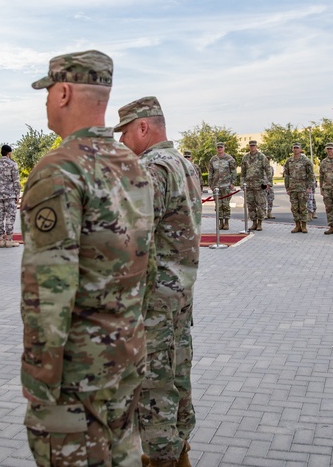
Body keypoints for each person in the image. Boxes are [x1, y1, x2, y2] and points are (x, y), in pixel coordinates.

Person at [20, 50, 153, 467]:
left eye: (46, 92)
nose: (45, 101)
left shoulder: (60, 169)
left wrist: (40, 370)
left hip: (79, 368)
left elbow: (50, 287)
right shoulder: (130, 163)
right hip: (126, 350)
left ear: (61, 93)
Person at [115, 96, 202, 467]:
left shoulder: (152, 168)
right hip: (179, 294)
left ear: (143, 128)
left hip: (153, 298)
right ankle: (180, 450)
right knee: (178, 373)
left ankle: (162, 456)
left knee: (153, 385)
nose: (121, 142)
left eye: (124, 133)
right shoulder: (185, 164)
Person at [0, 144, 21, 248]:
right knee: (10, 216)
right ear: (9, 153)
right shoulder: (13, 164)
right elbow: (16, 180)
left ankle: (1, 240)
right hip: (10, 195)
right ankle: (9, 240)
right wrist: (17, 194)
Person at [239, 140, 272, 231]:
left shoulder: (262, 157)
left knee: (260, 204)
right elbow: (243, 172)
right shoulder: (245, 158)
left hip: (259, 185)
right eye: (251, 146)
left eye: (254, 146)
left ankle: (260, 223)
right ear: (249, 147)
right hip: (249, 186)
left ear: (256, 146)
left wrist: (269, 182)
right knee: (251, 205)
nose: (252, 147)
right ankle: (254, 222)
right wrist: (242, 183)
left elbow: (267, 170)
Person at [282, 143, 314, 233]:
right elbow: (287, 175)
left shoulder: (306, 161)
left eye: (297, 148)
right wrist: (287, 187)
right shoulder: (289, 161)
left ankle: (304, 226)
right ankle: (297, 225)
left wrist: (309, 187)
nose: (295, 149)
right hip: (293, 188)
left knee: (303, 207)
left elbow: (310, 175)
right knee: (294, 208)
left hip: (303, 188)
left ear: (300, 149)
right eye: (294, 148)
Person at [207, 142, 236, 231]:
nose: (219, 149)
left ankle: (226, 222)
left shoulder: (229, 159)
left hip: (226, 186)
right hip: (216, 186)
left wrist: (233, 183)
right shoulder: (213, 159)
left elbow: (233, 171)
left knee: (226, 205)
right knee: (218, 205)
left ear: (224, 148)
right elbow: (211, 172)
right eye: (218, 147)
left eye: (221, 147)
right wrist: (210, 184)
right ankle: (220, 223)